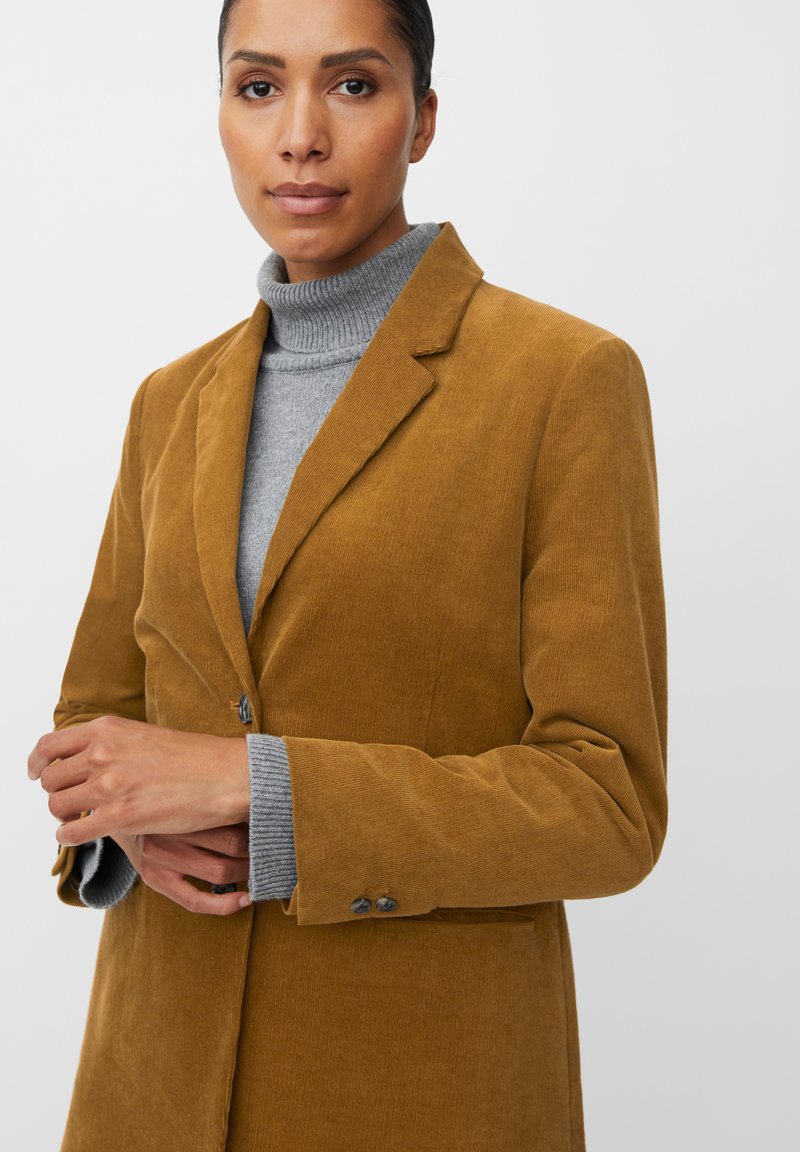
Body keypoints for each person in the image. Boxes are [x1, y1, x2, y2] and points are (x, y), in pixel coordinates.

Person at [27, 0, 669, 1149]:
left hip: (414, 1090)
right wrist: (122, 829)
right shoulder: (169, 403)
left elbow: (606, 804)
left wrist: (260, 790)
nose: (300, 136)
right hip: (148, 1082)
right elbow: (93, 723)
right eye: (258, 87)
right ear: (221, 113)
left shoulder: (561, 381)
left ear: (421, 119)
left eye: (354, 84)